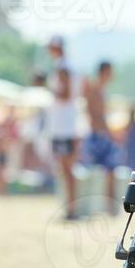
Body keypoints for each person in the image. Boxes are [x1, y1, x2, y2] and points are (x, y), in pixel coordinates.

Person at [47, 35, 80, 220]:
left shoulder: (63, 67)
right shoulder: (67, 66)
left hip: (64, 126)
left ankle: (72, 208)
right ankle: (70, 207)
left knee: (66, 169)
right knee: (66, 169)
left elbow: (65, 94)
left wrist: (46, 87)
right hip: (66, 125)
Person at [81, 61, 120, 212]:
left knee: (109, 171)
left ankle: (109, 206)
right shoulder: (95, 89)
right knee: (108, 170)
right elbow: (96, 115)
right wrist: (109, 133)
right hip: (98, 135)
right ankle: (108, 206)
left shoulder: (98, 89)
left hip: (99, 135)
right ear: (104, 71)